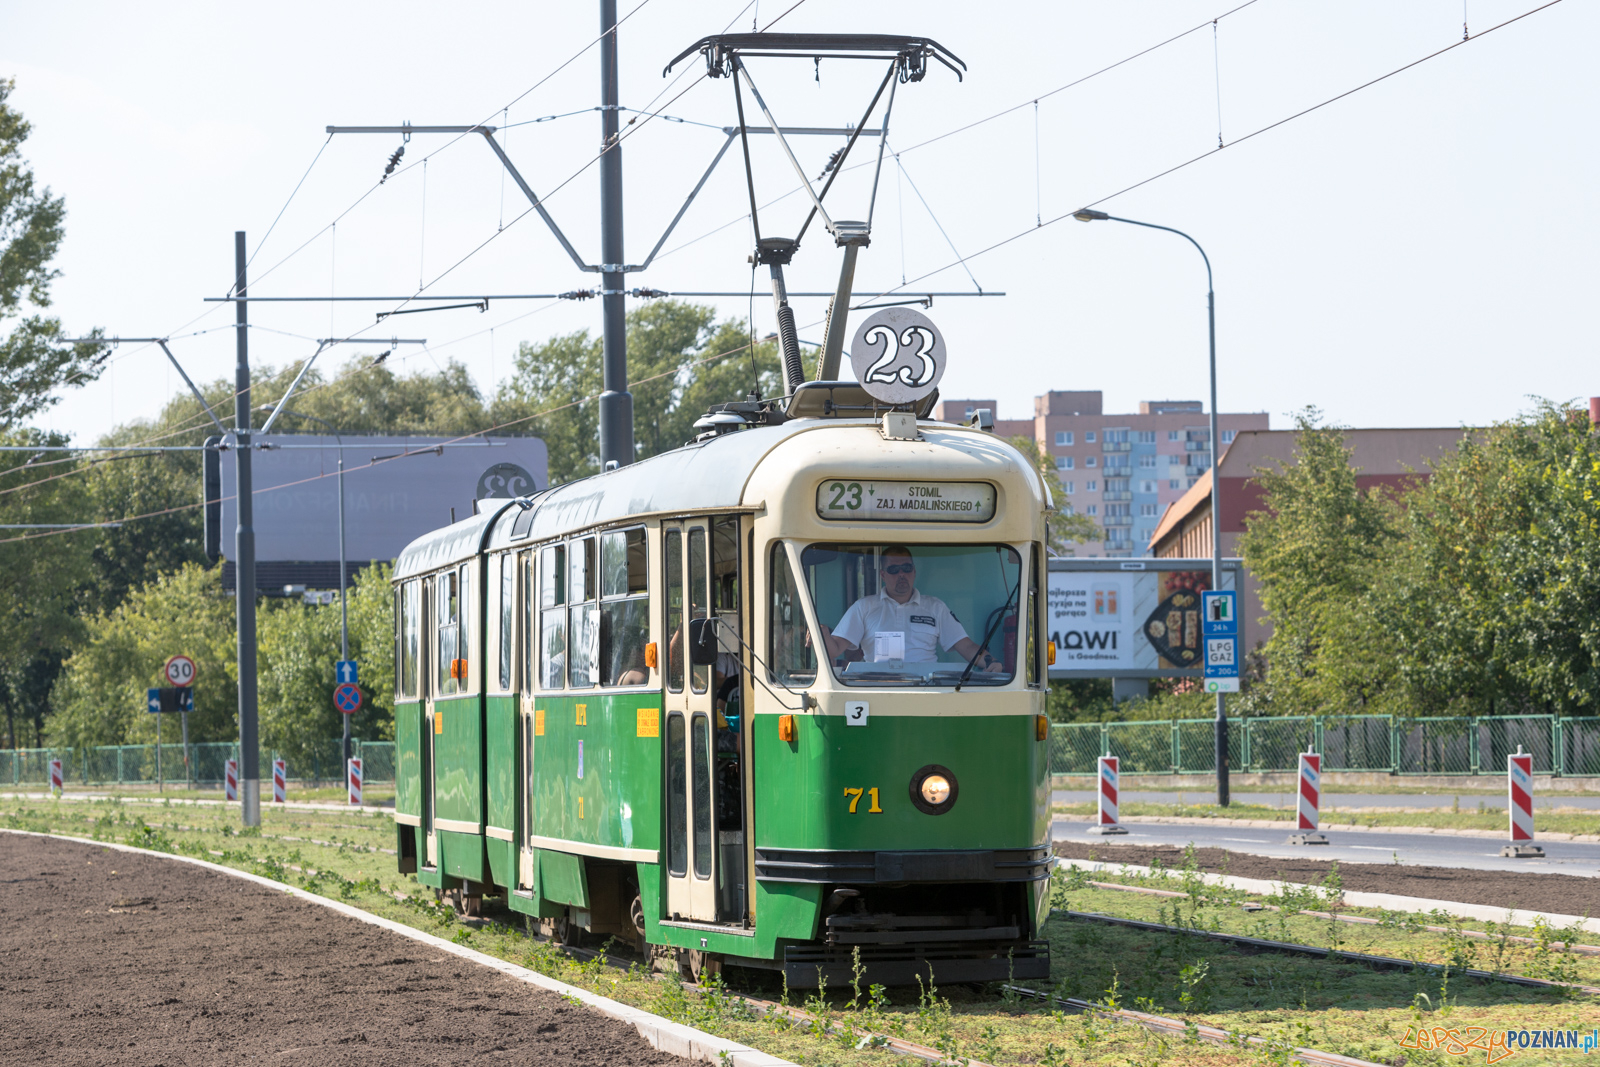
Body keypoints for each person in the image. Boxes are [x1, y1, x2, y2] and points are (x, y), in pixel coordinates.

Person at [824, 546, 1000, 670]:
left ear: (914, 571)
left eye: (906, 568)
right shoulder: (864, 607)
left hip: (927, 691)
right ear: (883, 575)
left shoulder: (935, 607)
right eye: (894, 569)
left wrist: (991, 662)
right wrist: (821, 632)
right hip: (877, 691)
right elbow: (836, 648)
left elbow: (966, 646)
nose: (901, 574)